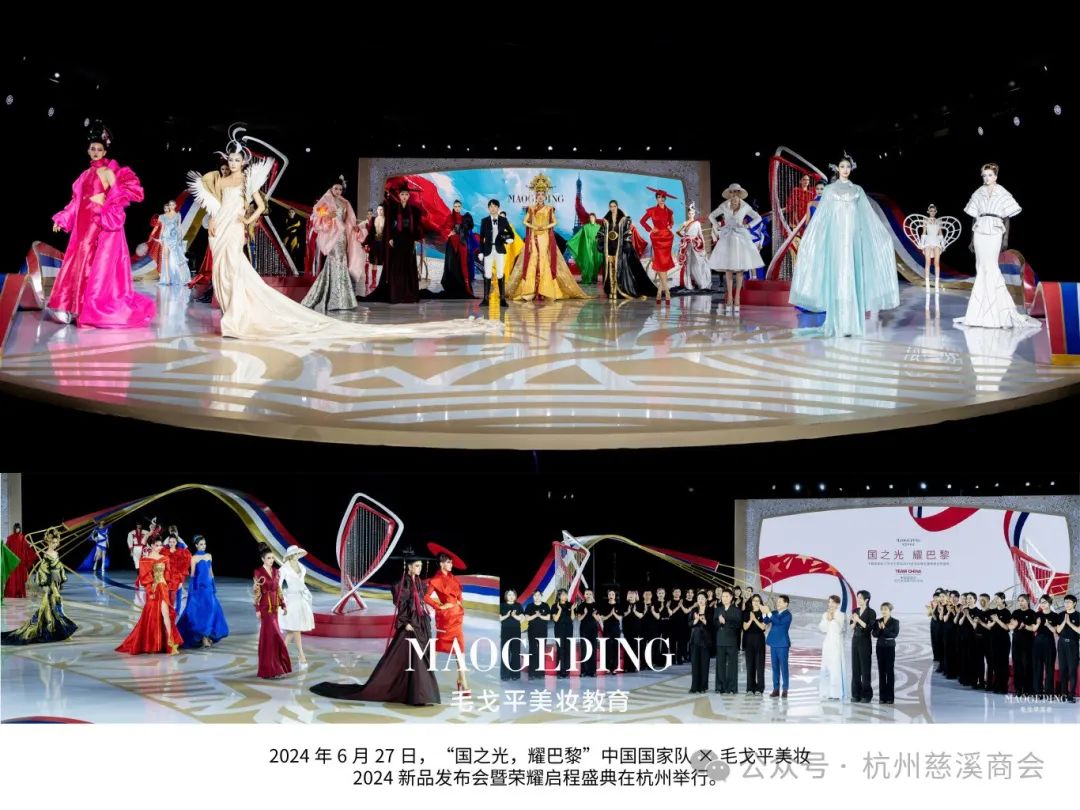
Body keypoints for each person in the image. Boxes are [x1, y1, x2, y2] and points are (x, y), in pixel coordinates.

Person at [189, 133, 495, 339]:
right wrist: (215, 219)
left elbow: (260, 206)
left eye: (237, 160)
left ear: (243, 162)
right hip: (224, 226)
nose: (233, 164)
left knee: (235, 267)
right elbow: (316, 217)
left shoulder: (249, 181)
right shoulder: (225, 181)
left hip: (258, 229)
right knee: (222, 268)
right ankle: (234, 308)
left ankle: (239, 313)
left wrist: (247, 219)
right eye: (230, 160)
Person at [45, 120, 155, 327]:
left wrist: (106, 205)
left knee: (89, 262)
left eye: (99, 149)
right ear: (88, 150)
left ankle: (83, 308)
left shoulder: (107, 172)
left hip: (97, 224)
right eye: (92, 148)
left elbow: (118, 195)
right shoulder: (83, 175)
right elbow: (75, 201)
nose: (95, 152)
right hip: (81, 224)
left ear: (105, 151)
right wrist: (62, 218)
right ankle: (70, 306)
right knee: (76, 260)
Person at [789, 153, 899, 337]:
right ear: (837, 169)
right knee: (838, 275)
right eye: (842, 167)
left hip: (853, 238)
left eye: (847, 167)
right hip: (836, 239)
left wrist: (882, 235)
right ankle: (838, 323)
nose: (845, 170)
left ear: (851, 168)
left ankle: (852, 324)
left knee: (852, 275)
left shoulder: (857, 190)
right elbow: (822, 216)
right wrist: (812, 236)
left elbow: (867, 216)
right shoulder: (830, 190)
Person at [311, 557, 441, 705]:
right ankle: (418, 695)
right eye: (417, 565)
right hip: (409, 625)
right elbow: (402, 606)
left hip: (420, 623)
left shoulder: (420, 583)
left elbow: (421, 602)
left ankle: (416, 693)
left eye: (421, 565)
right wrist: (405, 623)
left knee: (417, 658)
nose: (420, 568)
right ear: (409, 567)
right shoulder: (400, 585)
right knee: (412, 658)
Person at [954, 163, 1040, 330]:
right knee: (981, 268)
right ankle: (978, 313)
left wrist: (1005, 238)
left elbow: (1007, 218)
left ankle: (997, 312)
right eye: (984, 175)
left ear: (996, 176)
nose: (987, 178)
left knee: (992, 267)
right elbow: (974, 217)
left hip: (995, 230)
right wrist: (971, 239)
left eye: (990, 175)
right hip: (979, 231)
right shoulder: (978, 192)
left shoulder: (1003, 192)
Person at [505, 173, 590, 302]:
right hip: (534, 236)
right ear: (536, 195)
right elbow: (525, 222)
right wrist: (534, 226)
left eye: (542, 194)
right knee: (533, 258)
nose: (540, 196)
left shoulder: (549, 209)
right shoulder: (531, 208)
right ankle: (530, 290)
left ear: (545, 196)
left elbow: (554, 222)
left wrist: (545, 227)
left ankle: (545, 290)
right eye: (538, 194)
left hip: (544, 236)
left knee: (544, 258)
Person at [2, 529, 78, 644]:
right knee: (54, 606)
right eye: (53, 542)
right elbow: (43, 570)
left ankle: (57, 629)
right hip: (50, 584)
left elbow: (58, 568)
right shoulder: (47, 554)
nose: (55, 544)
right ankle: (60, 630)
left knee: (53, 606)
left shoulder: (55, 553)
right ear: (48, 542)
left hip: (55, 583)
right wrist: (45, 584)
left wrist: (59, 579)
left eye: (56, 542)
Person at [301, 176, 362, 312]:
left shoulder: (345, 203)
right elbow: (317, 218)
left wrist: (354, 228)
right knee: (335, 260)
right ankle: (335, 298)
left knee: (341, 262)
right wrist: (328, 216)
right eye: (336, 188)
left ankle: (341, 298)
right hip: (333, 237)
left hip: (343, 237)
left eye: (340, 189)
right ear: (331, 188)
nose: (338, 191)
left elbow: (348, 220)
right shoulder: (326, 201)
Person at [115, 537, 183, 655]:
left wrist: (170, 585)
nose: (160, 547)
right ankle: (152, 643)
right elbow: (145, 579)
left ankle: (170, 643)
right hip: (153, 590)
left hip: (163, 589)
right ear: (151, 546)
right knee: (152, 616)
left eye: (160, 545)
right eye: (157, 545)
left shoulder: (164, 558)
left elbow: (168, 575)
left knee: (166, 614)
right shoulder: (145, 560)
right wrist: (150, 592)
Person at [708, 184, 764, 312]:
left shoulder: (745, 206)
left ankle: (737, 296)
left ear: (739, 193)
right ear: (729, 193)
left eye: (736, 192)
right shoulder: (724, 205)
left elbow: (758, 217)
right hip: (727, 237)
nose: (734, 194)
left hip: (741, 238)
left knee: (740, 269)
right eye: (732, 192)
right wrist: (718, 226)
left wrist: (748, 226)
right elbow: (711, 216)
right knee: (728, 269)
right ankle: (729, 297)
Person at [423, 551, 470, 693]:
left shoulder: (454, 578)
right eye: (448, 562)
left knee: (460, 648)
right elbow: (425, 597)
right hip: (446, 619)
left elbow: (459, 596)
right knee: (438, 647)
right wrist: (439, 606)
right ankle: (423, 676)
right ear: (441, 564)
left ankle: (462, 680)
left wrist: (458, 603)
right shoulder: (436, 580)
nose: (451, 564)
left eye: (451, 562)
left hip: (457, 617)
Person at [596, 200, 656, 300]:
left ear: (617, 206)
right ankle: (611, 291)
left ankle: (619, 290)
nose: (612, 208)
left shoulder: (623, 220)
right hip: (609, 248)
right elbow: (600, 233)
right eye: (611, 206)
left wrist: (627, 244)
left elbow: (627, 233)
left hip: (619, 249)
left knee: (618, 269)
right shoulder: (606, 220)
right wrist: (601, 242)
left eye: (614, 206)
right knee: (610, 269)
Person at [176, 535, 229, 648]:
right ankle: (205, 637)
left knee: (212, 610)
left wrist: (213, 584)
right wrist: (192, 590)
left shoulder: (209, 556)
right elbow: (192, 574)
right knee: (202, 612)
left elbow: (210, 571)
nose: (203, 546)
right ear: (196, 545)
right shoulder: (194, 558)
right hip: (199, 588)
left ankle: (208, 635)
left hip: (208, 587)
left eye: (204, 544)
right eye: (201, 544)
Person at [252, 545, 292, 679]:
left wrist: (283, 604)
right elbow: (257, 592)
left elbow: (278, 589)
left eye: (272, 558)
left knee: (273, 637)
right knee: (271, 636)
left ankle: (276, 668)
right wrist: (257, 609)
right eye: (269, 558)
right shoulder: (258, 572)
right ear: (263, 559)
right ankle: (269, 669)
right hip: (265, 608)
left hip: (275, 608)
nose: (271, 560)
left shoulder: (276, 571)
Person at [279, 546, 316, 669]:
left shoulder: (302, 567)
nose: (296, 555)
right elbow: (278, 585)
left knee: (293, 630)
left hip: (301, 599)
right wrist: (282, 600)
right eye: (294, 554)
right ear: (290, 555)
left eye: (297, 553)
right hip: (291, 600)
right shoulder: (284, 568)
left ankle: (280, 652)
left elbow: (302, 583)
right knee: (296, 629)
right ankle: (301, 656)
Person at [433, 200, 477, 299]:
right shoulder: (449, 217)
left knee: (464, 265)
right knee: (451, 265)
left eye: (458, 206)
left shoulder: (464, 218)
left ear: (461, 207)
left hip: (462, 243)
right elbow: (443, 229)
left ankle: (466, 288)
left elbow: (468, 229)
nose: (457, 208)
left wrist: (463, 229)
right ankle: (453, 287)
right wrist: (449, 233)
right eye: (455, 206)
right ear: (453, 207)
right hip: (452, 244)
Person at [641, 188, 678, 304]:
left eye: (662, 197)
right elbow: (642, 221)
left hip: (667, 238)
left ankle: (659, 292)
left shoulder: (669, 211)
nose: (661, 199)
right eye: (658, 197)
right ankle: (667, 291)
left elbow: (672, 222)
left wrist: (670, 226)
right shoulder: (652, 210)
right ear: (656, 199)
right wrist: (650, 228)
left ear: (665, 199)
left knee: (664, 264)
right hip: (657, 239)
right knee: (660, 263)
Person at [477, 199, 515, 305]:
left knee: (500, 272)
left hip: (499, 249)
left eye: (495, 206)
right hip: (488, 249)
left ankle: (502, 299)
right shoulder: (484, 221)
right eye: (491, 206)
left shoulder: (503, 220)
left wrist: (508, 240)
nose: (493, 208)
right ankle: (485, 299)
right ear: (488, 208)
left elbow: (511, 234)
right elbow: (481, 238)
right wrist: (481, 251)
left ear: (498, 208)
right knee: (487, 273)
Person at [676, 203, 711, 291]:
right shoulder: (685, 223)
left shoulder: (697, 223)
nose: (691, 215)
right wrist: (684, 237)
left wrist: (703, 244)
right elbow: (678, 231)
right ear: (688, 214)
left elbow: (700, 234)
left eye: (692, 213)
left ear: (694, 214)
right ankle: (688, 284)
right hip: (687, 244)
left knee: (699, 262)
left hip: (696, 244)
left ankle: (701, 282)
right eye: (689, 213)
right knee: (688, 263)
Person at [818, 595, 847, 701]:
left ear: (837, 604)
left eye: (833, 602)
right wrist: (827, 619)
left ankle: (836, 693)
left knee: (835, 668)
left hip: (836, 643)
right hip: (827, 643)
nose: (830, 604)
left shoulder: (841, 615)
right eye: (829, 602)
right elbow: (823, 628)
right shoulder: (825, 614)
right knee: (826, 668)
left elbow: (841, 629)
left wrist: (833, 618)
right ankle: (826, 692)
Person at [713, 588, 742, 694]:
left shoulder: (736, 610)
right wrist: (719, 622)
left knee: (732, 665)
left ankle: (732, 688)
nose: (724, 598)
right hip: (720, 640)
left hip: (732, 640)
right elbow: (714, 624)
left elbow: (738, 625)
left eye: (727, 596)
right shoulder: (718, 609)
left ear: (731, 597)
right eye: (723, 596)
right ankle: (720, 687)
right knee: (720, 665)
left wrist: (725, 622)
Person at [850, 590, 876, 702]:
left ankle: (866, 695)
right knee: (855, 668)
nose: (858, 600)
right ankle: (856, 694)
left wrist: (858, 620)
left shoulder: (871, 612)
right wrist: (855, 621)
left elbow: (869, 628)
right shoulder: (855, 611)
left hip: (865, 641)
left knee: (865, 669)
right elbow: (851, 627)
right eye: (858, 597)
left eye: (860, 598)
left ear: (866, 600)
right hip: (855, 640)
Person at [156, 200, 190, 286]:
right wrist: (160, 238)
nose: (171, 206)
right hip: (166, 237)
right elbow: (163, 227)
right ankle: (167, 278)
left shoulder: (178, 215)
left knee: (178, 257)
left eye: (173, 205)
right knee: (166, 257)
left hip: (175, 238)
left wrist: (181, 237)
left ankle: (183, 278)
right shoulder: (164, 216)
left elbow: (179, 226)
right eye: (170, 205)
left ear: (175, 205)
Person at [764, 594, 793, 698]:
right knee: (775, 667)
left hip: (782, 644)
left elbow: (779, 621)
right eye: (777, 601)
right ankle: (776, 689)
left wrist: (768, 613)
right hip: (773, 643)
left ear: (786, 604)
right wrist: (764, 612)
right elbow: (766, 620)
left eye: (780, 602)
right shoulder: (774, 612)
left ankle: (785, 689)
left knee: (784, 667)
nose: (778, 603)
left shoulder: (787, 615)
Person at [1009, 594, 1037, 696]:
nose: (1020, 602)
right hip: (1016, 642)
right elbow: (1010, 626)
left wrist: (1024, 626)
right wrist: (1015, 625)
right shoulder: (1015, 612)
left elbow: (1033, 628)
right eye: (1019, 601)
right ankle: (1018, 689)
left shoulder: (1032, 613)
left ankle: (1028, 689)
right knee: (1017, 665)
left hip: (1028, 643)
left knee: (1027, 665)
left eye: (1022, 600)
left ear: (1027, 601)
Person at [1032, 595, 1059, 698]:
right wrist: (1038, 624)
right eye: (1041, 602)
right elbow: (1034, 629)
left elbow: (1055, 632)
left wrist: (1048, 625)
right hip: (1037, 643)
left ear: (1049, 603)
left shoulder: (1055, 615)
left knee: (1049, 668)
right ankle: (1037, 691)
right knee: (1037, 668)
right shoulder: (1037, 614)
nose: (1042, 604)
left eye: (1044, 602)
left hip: (1049, 643)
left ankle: (1049, 692)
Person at [872, 602, 899, 704]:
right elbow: (874, 634)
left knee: (889, 671)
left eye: (886, 609)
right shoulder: (878, 621)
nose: (883, 611)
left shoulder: (895, 622)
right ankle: (882, 697)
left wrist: (884, 628)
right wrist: (879, 628)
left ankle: (890, 697)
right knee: (881, 672)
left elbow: (894, 634)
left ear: (890, 610)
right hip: (880, 647)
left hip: (890, 648)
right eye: (882, 609)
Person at [1054, 594, 1079, 702]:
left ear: (1074, 603)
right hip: (1062, 643)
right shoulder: (1061, 615)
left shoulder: (1078, 615)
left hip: (1073, 644)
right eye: (1065, 602)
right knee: (1063, 669)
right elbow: (1058, 630)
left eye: (1069, 602)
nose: (1066, 604)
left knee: (1072, 670)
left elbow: (1079, 630)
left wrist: (1069, 623)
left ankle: (1071, 694)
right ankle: (1063, 693)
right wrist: (1064, 621)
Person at [566, 212, 603, 285]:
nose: (592, 219)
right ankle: (587, 278)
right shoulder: (586, 227)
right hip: (588, 246)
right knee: (589, 261)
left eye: (593, 217)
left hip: (596, 245)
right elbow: (579, 235)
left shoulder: (599, 227)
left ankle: (594, 278)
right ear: (589, 219)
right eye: (590, 217)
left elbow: (602, 236)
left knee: (596, 262)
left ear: (595, 218)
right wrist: (571, 242)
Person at [742, 593, 767, 695]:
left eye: (758, 601)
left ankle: (759, 688)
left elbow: (763, 627)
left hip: (759, 640)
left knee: (759, 665)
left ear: (760, 602)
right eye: (754, 600)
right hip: (749, 640)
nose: (755, 602)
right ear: (751, 602)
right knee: (750, 665)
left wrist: (755, 619)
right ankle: (750, 687)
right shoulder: (747, 613)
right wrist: (750, 619)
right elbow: (745, 627)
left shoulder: (763, 613)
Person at [162, 528, 191, 615]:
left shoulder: (181, 552)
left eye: (173, 542)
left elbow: (184, 567)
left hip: (177, 577)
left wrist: (181, 581)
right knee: (168, 596)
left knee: (178, 594)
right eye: (170, 542)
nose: (171, 543)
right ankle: (168, 611)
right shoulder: (164, 552)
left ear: (176, 542)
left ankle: (177, 611)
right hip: (167, 577)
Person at [4, 523, 37, 599]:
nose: (17, 530)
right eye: (16, 528)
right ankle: (12, 592)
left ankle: (19, 592)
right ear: (14, 529)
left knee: (19, 577)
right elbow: (7, 548)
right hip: (13, 561)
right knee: (12, 577)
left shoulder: (22, 538)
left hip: (20, 562)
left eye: (18, 528)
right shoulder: (10, 538)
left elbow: (27, 548)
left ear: (20, 529)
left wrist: (34, 554)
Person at [523, 590, 551, 679]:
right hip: (532, 631)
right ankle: (532, 673)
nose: (537, 597)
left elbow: (548, 617)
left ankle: (540, 673)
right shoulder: (530, 606)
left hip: (543, 631)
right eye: (535, 595)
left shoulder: (545, 605)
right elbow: (527, 618)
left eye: (539, 595)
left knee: (541, 650)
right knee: (533, 650)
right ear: (533, 597)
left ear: (541, 596)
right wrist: (535, 615)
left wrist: (540, 616)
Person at [688, 591, 711, 693]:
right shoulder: (694, 610)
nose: (700, 600)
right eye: (699, 598)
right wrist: (696, 620)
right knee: (695, 664)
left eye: (702, 598)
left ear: (706, 599)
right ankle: (694, 687)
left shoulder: (710, 610)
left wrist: (704, 620)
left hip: (706, 640)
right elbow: (689, 623)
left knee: (704, 664)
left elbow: (712, 625)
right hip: (695, 639)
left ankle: (703, 687)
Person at [499, 589, 524, 681]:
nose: (511, 596)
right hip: (505, 631)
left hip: (516, 631)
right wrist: (506, 615)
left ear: (515, 596)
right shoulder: (502, 605)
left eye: (513, 595)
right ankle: (505, 674)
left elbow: (522, 619)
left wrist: (514, 616)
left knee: (515, 652)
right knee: (505, 652)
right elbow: (499, 618)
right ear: (506, 596)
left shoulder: (518, 605)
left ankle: (515, 674)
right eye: (509, 595)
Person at [574, 590, 600, 677]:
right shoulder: (581, 605)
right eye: (587, 594)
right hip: (584, 629)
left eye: (590, 594)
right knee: (584, 649)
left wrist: (594, 615)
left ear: (592, 595)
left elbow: (598, 619)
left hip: (593, 629)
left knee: (593, 649)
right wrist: (585, 613)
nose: (588, 595)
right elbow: (579, 619)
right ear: (584, 595)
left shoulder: (595, 605)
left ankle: (593, 671)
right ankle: (584, 671)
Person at [126, 520, 150, 607]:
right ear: (136, 525)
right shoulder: (131, 533)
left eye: (140, 524)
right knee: (137, 564)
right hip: (136, 548)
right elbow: (129, 541)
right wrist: (131, 550)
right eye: (137, 524)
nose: (139, 525)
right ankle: (139, 579)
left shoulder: (145, 532)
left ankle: (144, 579)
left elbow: (150, 537)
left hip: (143, 549)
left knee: (144, 564)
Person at [551, 588, 574, 678]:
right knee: (560, 649)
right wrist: (560, 610)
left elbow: (572, 618)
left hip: (569, 629)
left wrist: (572, 609)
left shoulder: (570, 605)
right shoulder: (554, 606)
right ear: (559, 596)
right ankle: (560, 672)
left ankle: (567, 671)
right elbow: (555, 619)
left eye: (566, 594)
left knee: (568, 649)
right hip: (559, 629)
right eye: (563, 594)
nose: (565, 596)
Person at [600, 589, 623, 674]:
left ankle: (615, 667)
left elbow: (620, 618)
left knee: (616, 647)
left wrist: (614, 614)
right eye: (609, 594)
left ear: (615, 596)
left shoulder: (618, 605)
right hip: (607, 629)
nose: (611, 596)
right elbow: (602, 618)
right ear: (608, 596)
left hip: (616, 629)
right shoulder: (604, 605)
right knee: (607, 647)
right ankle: (607, 667)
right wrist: (610, 614)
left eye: (613, 594)